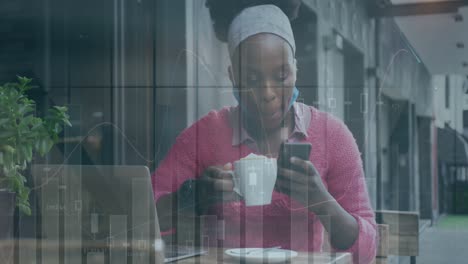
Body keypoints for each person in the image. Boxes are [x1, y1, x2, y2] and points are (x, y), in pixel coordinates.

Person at [152, 3, 377, 263]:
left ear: (295, 69)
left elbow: (367, 251)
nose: (268, 93)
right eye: (252, 79)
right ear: (232, 76)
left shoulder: (332, 136)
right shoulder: (204, 135)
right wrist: (194, 196)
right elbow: (145, 219)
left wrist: (321, 202)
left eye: (281, 76)